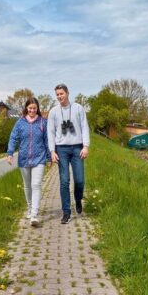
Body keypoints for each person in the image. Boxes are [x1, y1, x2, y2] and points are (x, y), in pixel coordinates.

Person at [47, 84, 90, 224]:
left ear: (67, 93)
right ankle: (66, 212)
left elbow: (84, 127)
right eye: (57, 94)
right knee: (64, 181)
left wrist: (85, 146)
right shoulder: (53, 112)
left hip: (77, 148)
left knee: (80, 180)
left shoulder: (78, 108)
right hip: (62, 150)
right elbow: (50, 132)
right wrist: (52, 151)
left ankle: (78, 199)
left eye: (62, 93)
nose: (60, 96)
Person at [7, 98, 51, 227]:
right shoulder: (20, 122)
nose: (32, 110)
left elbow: (47, 140)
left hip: (39, 158)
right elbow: (13, 138)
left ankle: (34, 215)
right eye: (30, 108)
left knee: (36, 184)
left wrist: (49, 157)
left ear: (37, 109)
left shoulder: (43, 122)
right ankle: (30, 207)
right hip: (24, 158)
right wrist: (10, 153)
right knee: (27, 186)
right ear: (26, 108)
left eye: (34, 108)